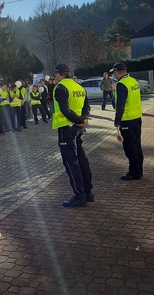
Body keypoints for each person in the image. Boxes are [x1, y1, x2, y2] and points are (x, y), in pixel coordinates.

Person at [53, 64, 93, 207]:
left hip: (67, 128)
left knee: (71, 162)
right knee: (82, 159)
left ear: (58, 74)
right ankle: (88, 193)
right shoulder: (78, 86)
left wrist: (79, 120)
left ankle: (79, 196)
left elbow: (64, 110)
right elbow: (86, 106)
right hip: (78, 128)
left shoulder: (60, 87)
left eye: (55, 75)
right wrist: (83, 119)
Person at [111, 62, 144, 180]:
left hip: (127, 120)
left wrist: (117, 120)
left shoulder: (121, 84)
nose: (114, 75)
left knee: (130, 147)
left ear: (118, 72)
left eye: (114, 72)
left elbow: (120, 105)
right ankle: (139, 170)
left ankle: (134, 172)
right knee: (137, 145)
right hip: (137, 118)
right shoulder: (133, 81)